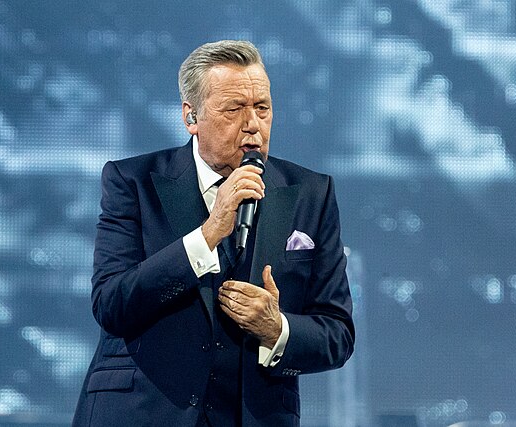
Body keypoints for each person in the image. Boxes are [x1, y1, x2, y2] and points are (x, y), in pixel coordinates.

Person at [72, 40, 355, 426]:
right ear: (191, 117)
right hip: (141, 413)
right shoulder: (132, 182)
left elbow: (337, 333)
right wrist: (205, 237)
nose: (252, 124)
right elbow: (111, 304)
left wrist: (277, 329)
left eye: (262, 108)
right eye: (234, 109)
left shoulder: (311, 193)